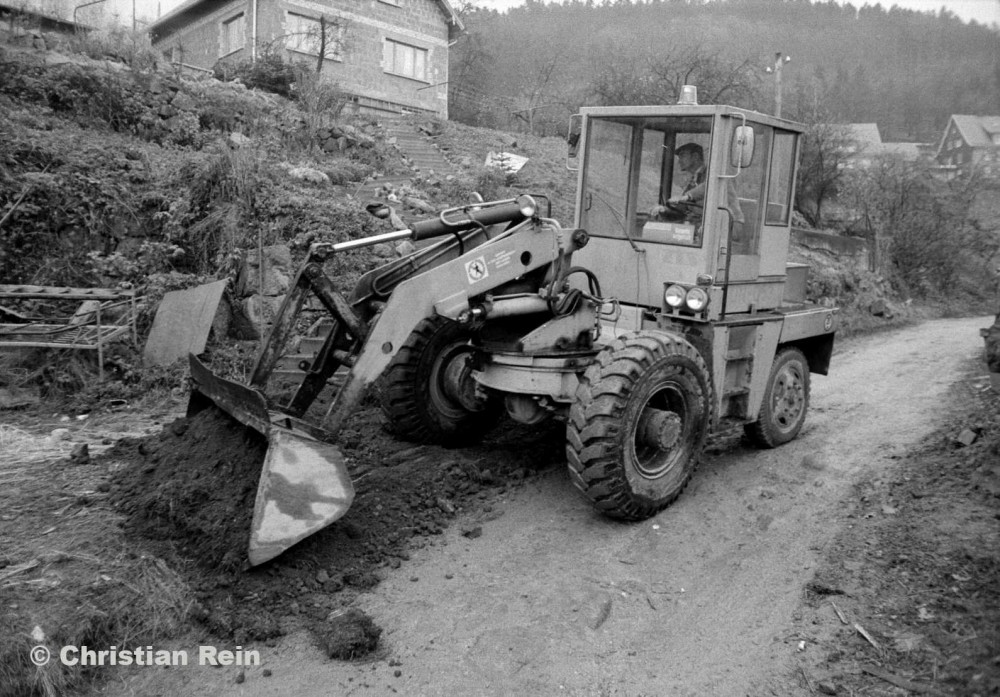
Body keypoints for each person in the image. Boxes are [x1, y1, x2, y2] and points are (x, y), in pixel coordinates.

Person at [649, 142, 706, 221]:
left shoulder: (709, 175)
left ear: (695, 156)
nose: (679, 161)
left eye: (682, 156)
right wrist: (664, 210)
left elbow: (707, 187)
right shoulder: (693, 180)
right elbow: (681, 209)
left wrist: (687, 196)